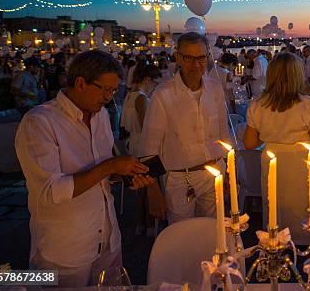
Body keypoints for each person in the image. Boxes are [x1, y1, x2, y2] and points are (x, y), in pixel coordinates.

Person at [15, 50, 153, 287]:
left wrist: (123, 174)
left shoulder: (99, 116)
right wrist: (110, 166)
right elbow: (50, 191)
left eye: (113, 90)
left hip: (108, 239)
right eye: (106, 90)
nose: (109, 98)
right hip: (65, 251)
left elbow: (104, 170)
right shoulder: (39, 122)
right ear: (80, 83)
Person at [243, 52, 310, 243]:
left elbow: (249, 143)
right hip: (301, 168)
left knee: (275, 211)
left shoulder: (257, 104)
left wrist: (271, 135)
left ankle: (275, 249)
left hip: (272, 166)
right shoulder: (306, 105)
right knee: (304, 213)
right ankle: (305, 253)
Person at [142, 32, 230, 224]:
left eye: (200, 58)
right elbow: (149, 147)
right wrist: (153, 191)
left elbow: (224, 133)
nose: (195, 65)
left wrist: (230, 172)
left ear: (207, 57)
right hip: (180, 179)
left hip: (214, 172)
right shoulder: (163, 95)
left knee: (213, 234)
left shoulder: (215, 89)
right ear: (178, 57)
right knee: (182, 237)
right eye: (189, 58)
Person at [121, 63, 161, 236]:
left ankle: (140, 224)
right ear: (147, 79)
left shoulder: (130, 96)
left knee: (140, 187)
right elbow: (148, 125)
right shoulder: (142, 98)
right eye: (154, 82)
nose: (155, 87)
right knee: (150, 184)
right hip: (143, 144)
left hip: (134, 143)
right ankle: (151, 225)